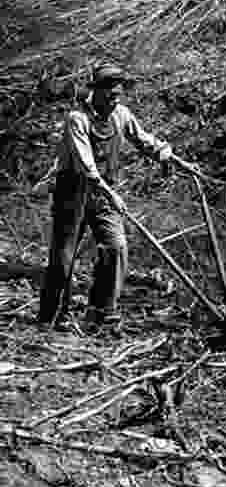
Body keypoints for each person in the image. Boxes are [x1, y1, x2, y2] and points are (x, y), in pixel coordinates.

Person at [38, 62, 173, 334]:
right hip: (73, 194)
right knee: (63, 259)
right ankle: (50, 318)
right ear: (96, 92)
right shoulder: (77, 119)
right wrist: (112, 194)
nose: (115, 100)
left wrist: (163, 150)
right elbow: (86, 166)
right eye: (110, 94)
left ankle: (101, 312)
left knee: (116, 247)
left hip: (103, 195)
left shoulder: (121, 114)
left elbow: (142, 138)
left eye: (118, 94)